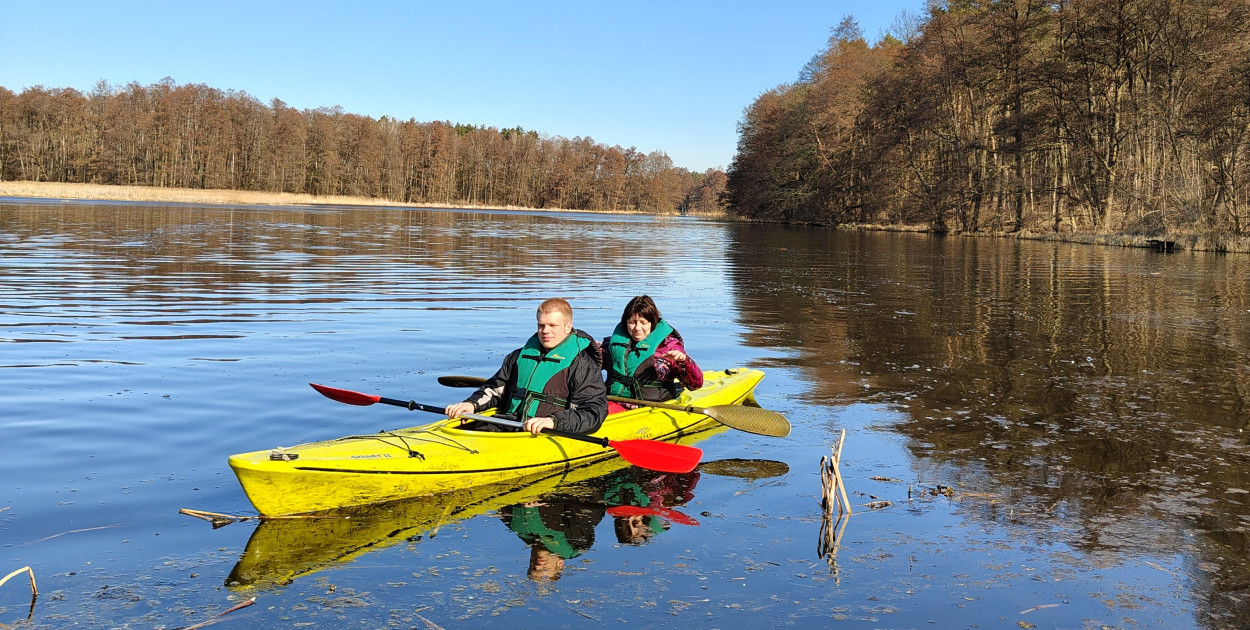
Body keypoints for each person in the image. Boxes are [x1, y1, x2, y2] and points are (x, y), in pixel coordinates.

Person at [445, 298, 608, 436]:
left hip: (548, 431)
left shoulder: (582, 365)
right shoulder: (517, 357)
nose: (545, 331)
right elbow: (495, 389)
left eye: (552, 325)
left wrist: (553, 422)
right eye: (541, 325)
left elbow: (593, 411)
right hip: (512, 423)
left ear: (567, 326)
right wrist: (471, 404)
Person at [602, 295, 703, 412]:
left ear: (652, 323)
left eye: (643, 323)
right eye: (632, 322)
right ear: (626, 323)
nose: (637, 328)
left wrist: (684, 362)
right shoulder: (611, 344)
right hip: (613, 400)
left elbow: (696, 384)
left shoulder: (668, 346)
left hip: (652, 405)